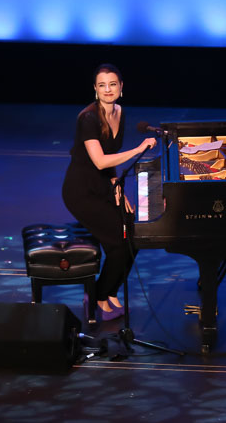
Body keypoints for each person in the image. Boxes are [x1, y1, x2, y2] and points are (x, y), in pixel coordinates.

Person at [62, 63, 156, 321]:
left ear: (121, 87)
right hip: (81, 191)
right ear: (95, 89)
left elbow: (111, 161)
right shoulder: (88, 119)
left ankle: (111, 291)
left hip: (104, 185)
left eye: (112, 84)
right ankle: (97, 297)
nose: (107, 90)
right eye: (102, 85)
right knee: (117, 243)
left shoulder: (119, 112)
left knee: (133, 235)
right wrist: (138, 150)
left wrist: (116, 185)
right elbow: (101, 160)